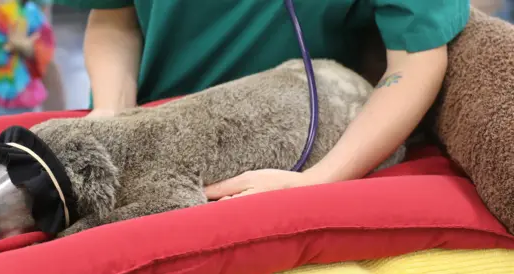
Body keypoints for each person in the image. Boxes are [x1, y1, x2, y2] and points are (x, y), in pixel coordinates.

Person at [56, 0, 470, 200]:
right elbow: (114, 17)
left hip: (295, 149)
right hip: (148, 136)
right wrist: (110, 118)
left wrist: (321, 180)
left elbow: (416, 57)